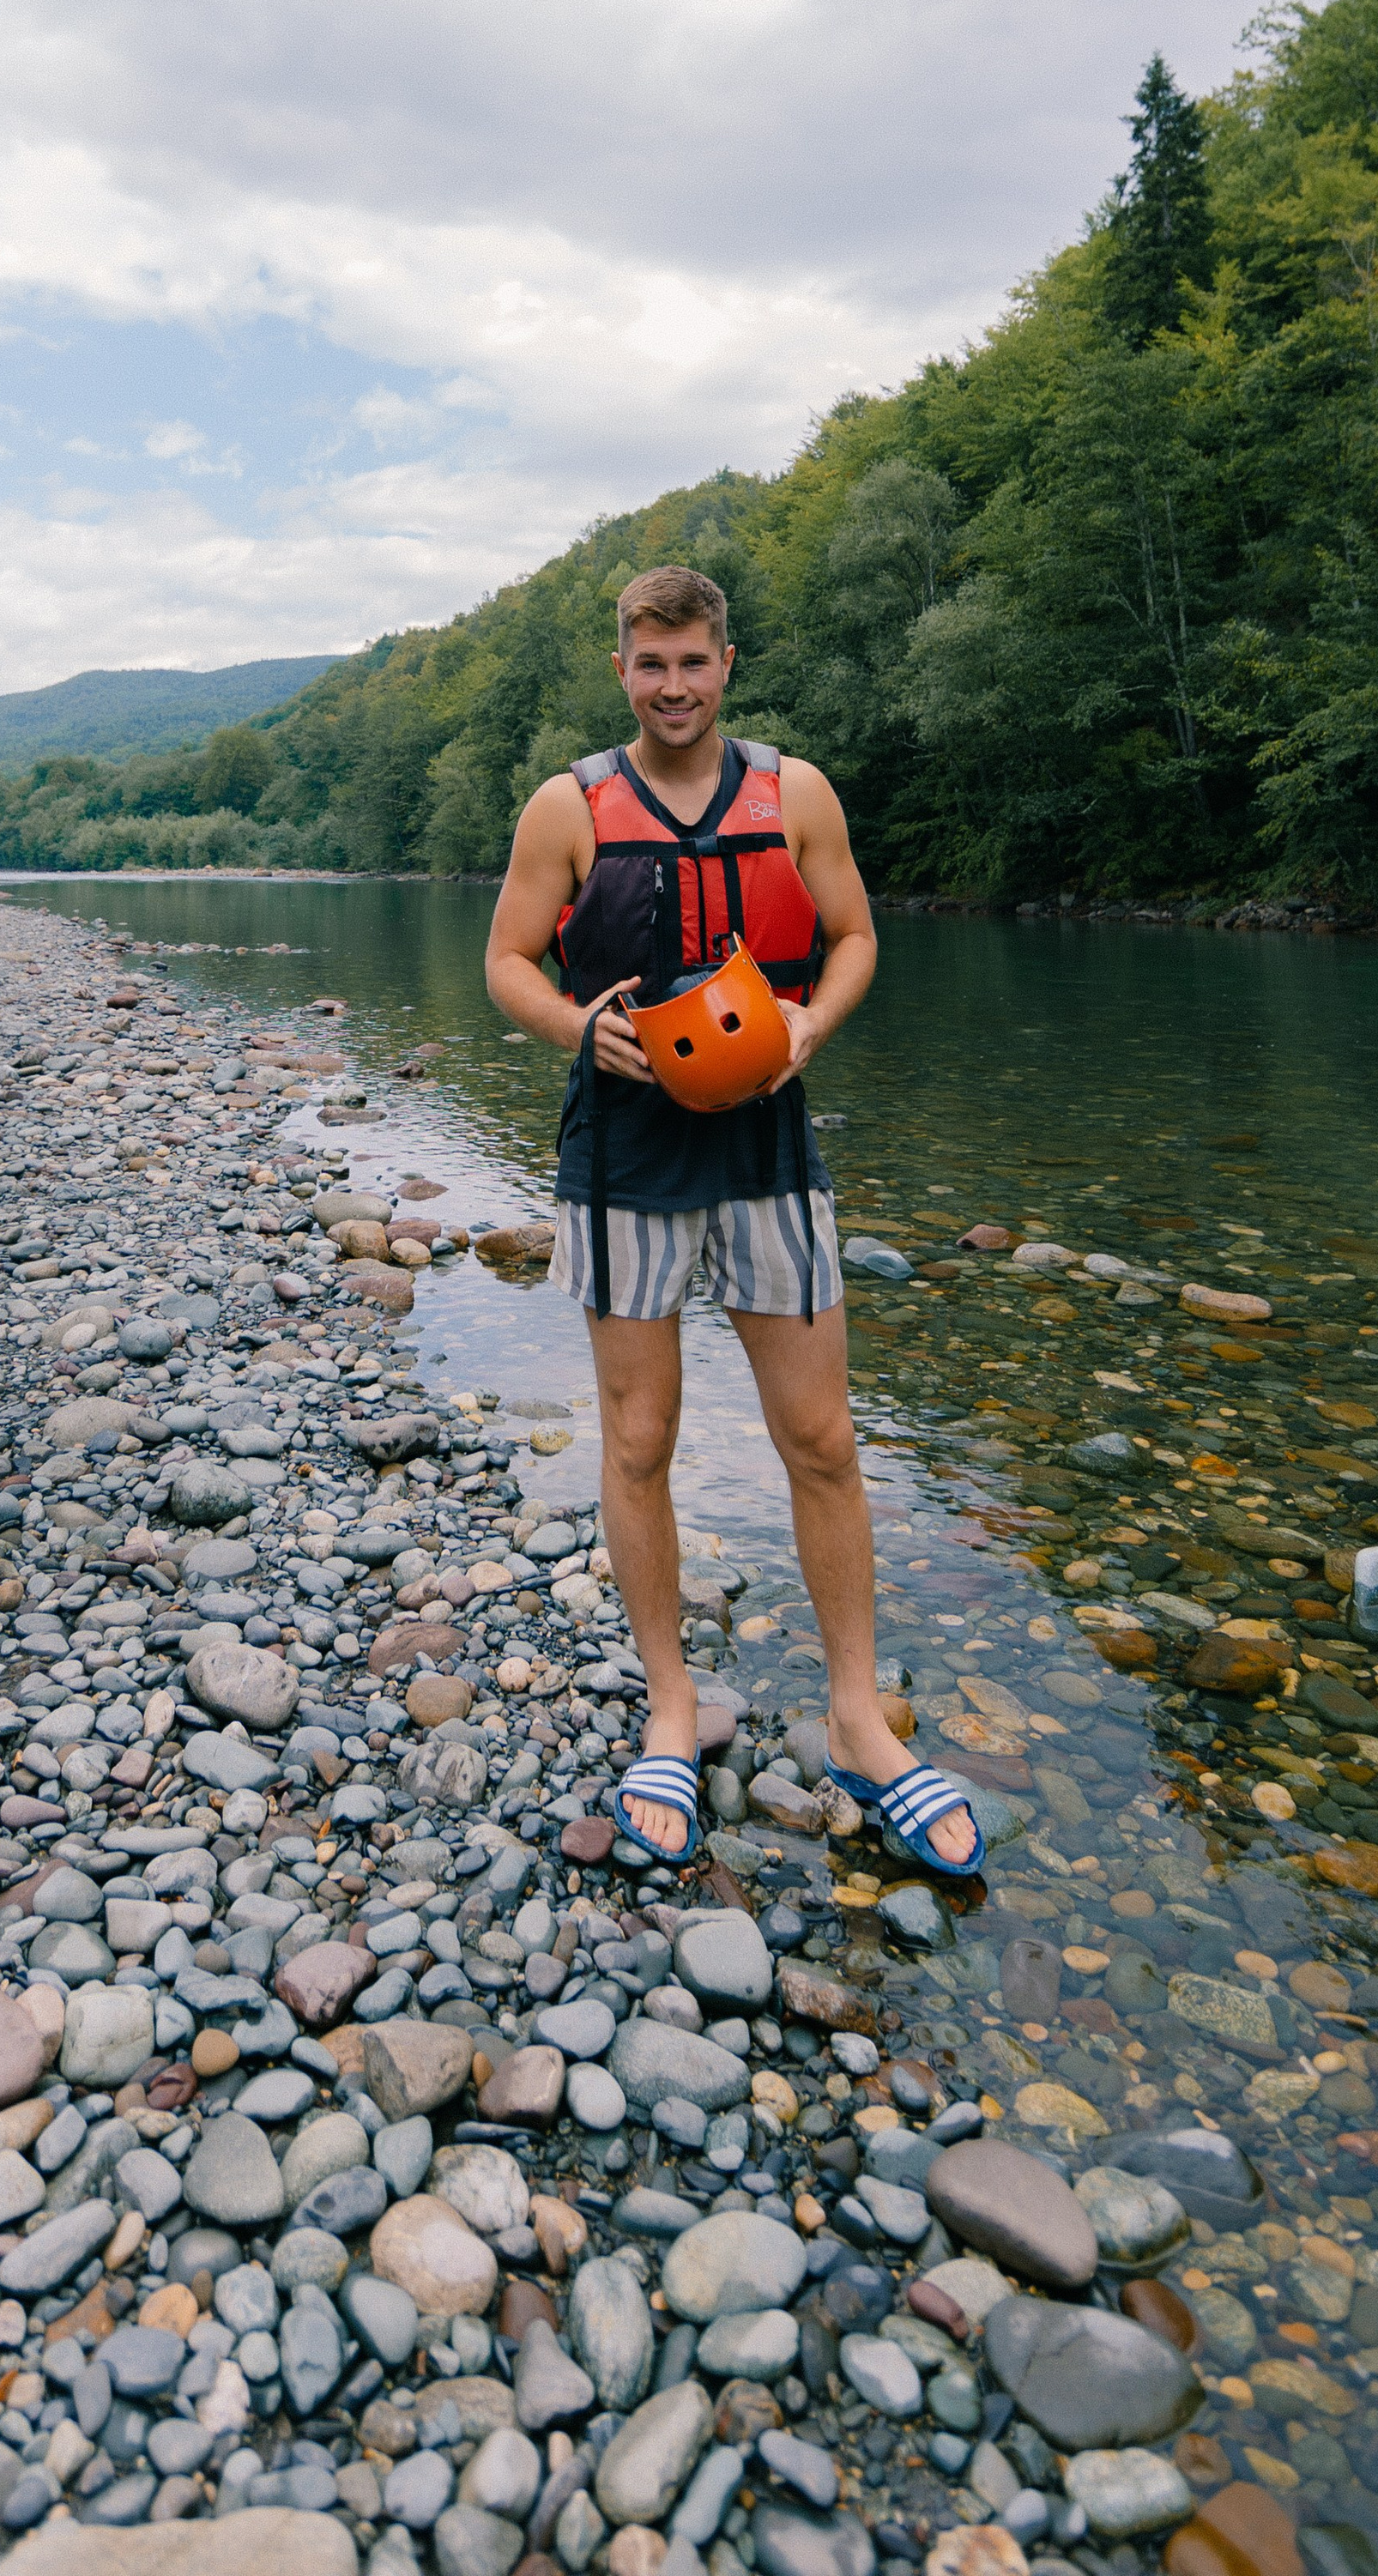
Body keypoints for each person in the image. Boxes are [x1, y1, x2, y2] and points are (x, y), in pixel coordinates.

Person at [484, 562, 982, 1875]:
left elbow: (857, 936)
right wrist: (580, 1028)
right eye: (651, 665)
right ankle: (669, 1708)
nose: (675, 686)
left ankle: (862, 1723)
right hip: (625, 1156)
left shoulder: (796, 792)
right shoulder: (571, 803)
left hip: (769, 1148)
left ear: (727, 661)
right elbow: (505, 962)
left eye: (694, 661)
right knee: (640, 1439)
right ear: (622, 672)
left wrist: (814, 1018)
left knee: (821, 1438)